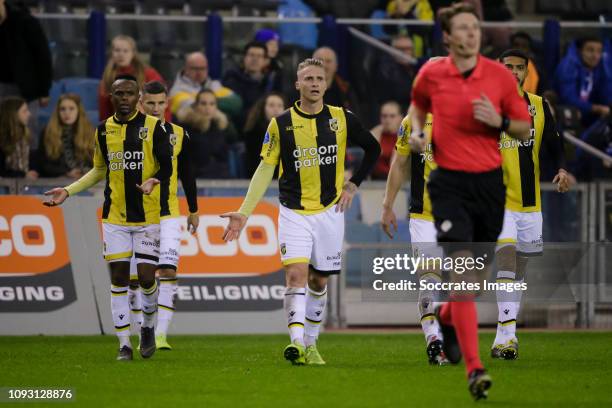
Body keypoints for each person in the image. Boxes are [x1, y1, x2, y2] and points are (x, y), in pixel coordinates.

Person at [221, 58, 380, 365]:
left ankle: (311, 343)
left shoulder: (341, 118)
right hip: (294, 211)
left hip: (330, 212)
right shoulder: (280, 124)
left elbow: (373, 149)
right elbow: (266, 167)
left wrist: (353, 184)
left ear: (326, 83)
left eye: (320, 78)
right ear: (298, 84)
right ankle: (295, 342)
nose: (315, 83)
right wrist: (244, 211)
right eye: (308, 78)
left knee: (319, 282)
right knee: (296, 275)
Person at [408, 3, 531, 399]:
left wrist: (497, 123)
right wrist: (415, 134)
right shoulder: (432, 72)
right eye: (463, 27)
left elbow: (524, 129)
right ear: (448, 36)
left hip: (490, 187)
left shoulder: (498, 76)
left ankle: (446, 316)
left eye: (475, 27)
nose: (471, 33)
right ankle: (475, 370)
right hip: (449, 186)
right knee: (461, 275)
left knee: (471, 285)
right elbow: (416, 107)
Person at [42, 75, 172, 362]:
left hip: (148, 218)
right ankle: (124, 344)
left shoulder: (154, 128)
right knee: (119, 279)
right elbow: (99, 170)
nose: (124, 98)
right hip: (114, 218)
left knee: (148, 279)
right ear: (111, 97)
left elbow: (167, 167)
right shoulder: (103, 131)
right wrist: (68, 190)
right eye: (118, 94)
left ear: (138, 97)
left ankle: (148, 327)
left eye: (129, 93)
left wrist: (154, 180)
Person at [493, 49, 572, 359]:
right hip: (499, 202)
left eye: (519, 68)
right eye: (508, 67)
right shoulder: (487, 107)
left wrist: (562, 169)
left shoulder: (539, 107)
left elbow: (554, 143)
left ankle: (503, 335)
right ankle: (508, 338)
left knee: (519, 271)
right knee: (508, 262)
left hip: (530, 203)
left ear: (527, 73)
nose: (513, 72)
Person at [127, 80, 199, 350]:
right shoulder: (128, 133)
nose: (156, 109)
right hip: (136, 215)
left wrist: (193, 210)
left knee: (167, 270)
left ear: (167, 103)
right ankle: (141, 332)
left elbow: (188, 174)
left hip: (168, 213)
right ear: (140, 103)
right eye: (150, 103)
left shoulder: (179, 134)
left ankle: (161, 335)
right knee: (136, 279)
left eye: (160, 103)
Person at [381, 105, 450, 365]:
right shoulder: (412, 122)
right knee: (429, 278)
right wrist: (387, 205)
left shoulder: (466, 117)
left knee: (466, 285)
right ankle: (434, 339)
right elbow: (399, 164)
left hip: (460, 215)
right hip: (424, 216)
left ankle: (450, 333)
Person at [0, 0, 52, 144]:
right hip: (2, 86)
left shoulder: (25, 21)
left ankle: (29, 165)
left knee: (28, 132)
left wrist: (44, 90)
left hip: (26, 89)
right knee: (3, 133)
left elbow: (43, 56)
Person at [98, 35, 168, 122]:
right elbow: (104, 111)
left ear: (133, 53)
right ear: (111, 53)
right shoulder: (107, 76)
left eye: (125, 51)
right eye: (117, 50)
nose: (121, 54)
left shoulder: (149, 73)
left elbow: (163, 101)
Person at [554, 36, 612, 128]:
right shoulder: (568, 67)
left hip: (588, 114)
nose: (595, 56)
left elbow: (606, 91)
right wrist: (595, 108)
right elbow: (568, 98)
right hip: (565, 112)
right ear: (579, 51)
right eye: (590, 50)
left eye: (599, 51)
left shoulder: (600, 67)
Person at [169, 51, 242, 123]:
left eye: (202, 68)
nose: (199, 72)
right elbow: (194, 110)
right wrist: (217, 104)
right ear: (186, 68)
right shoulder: (176, 91)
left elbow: (236, 103)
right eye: (195, 68)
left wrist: (205, 104)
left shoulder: (214, 84)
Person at [223, 41, 283, 128]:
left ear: (265, 61)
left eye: (259, 56)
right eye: (251, 55)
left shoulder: (272, 81)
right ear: (244, 58)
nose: (255, 59)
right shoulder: (231, 80)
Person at [33, 94, 94, 178]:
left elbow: (98, 162)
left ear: (79, 111)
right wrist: (66, 173)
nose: (67, 113)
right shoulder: (47, 132)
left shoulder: (90, 132)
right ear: (58, 112)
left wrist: (86, 172)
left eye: (71, 109)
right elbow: (43, 164)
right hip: (58, 181)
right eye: (62, 109)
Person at [182, 89, 238, 178]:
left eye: (212, 104)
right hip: (197, 180)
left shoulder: (220, 126)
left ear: (216, 107)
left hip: (222, 178)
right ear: (196, 106)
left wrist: (225, 123)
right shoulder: (186, 128)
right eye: (203, 104)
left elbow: (233, 138)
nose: (208, 108)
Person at [371, 35, 418, 114]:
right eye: (401, 49)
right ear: (392, 50)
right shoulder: (386, 69)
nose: (405, 52)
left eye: (408, 49)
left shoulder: (415, 67)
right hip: (395, 114)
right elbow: (402, 92)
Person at [243, 92, 286, 177]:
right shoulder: (253, 133)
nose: (276, 109)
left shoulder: (291, 132)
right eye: (271, 105)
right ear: (263, 109)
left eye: (279, 106)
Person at [312, 47, 360, 116]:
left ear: (336, 66)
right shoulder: (300, 89)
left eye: (328, 61)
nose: (324, 65)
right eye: (320, 60)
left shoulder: (345, 90)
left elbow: (354, 119)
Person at [0, 96, 37, 179]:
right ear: (13, 114)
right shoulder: (2, 139)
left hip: (26, 187)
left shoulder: (26, 137)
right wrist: (23, 175)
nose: (29, 114)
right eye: (24, 111)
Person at [370, 101, 403, 179]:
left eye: (392, 116)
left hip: (398, 182)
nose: (388, 120)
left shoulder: (406, 137)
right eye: (384, 116)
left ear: (400, 117)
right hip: (374, 182)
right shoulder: (375, 134)